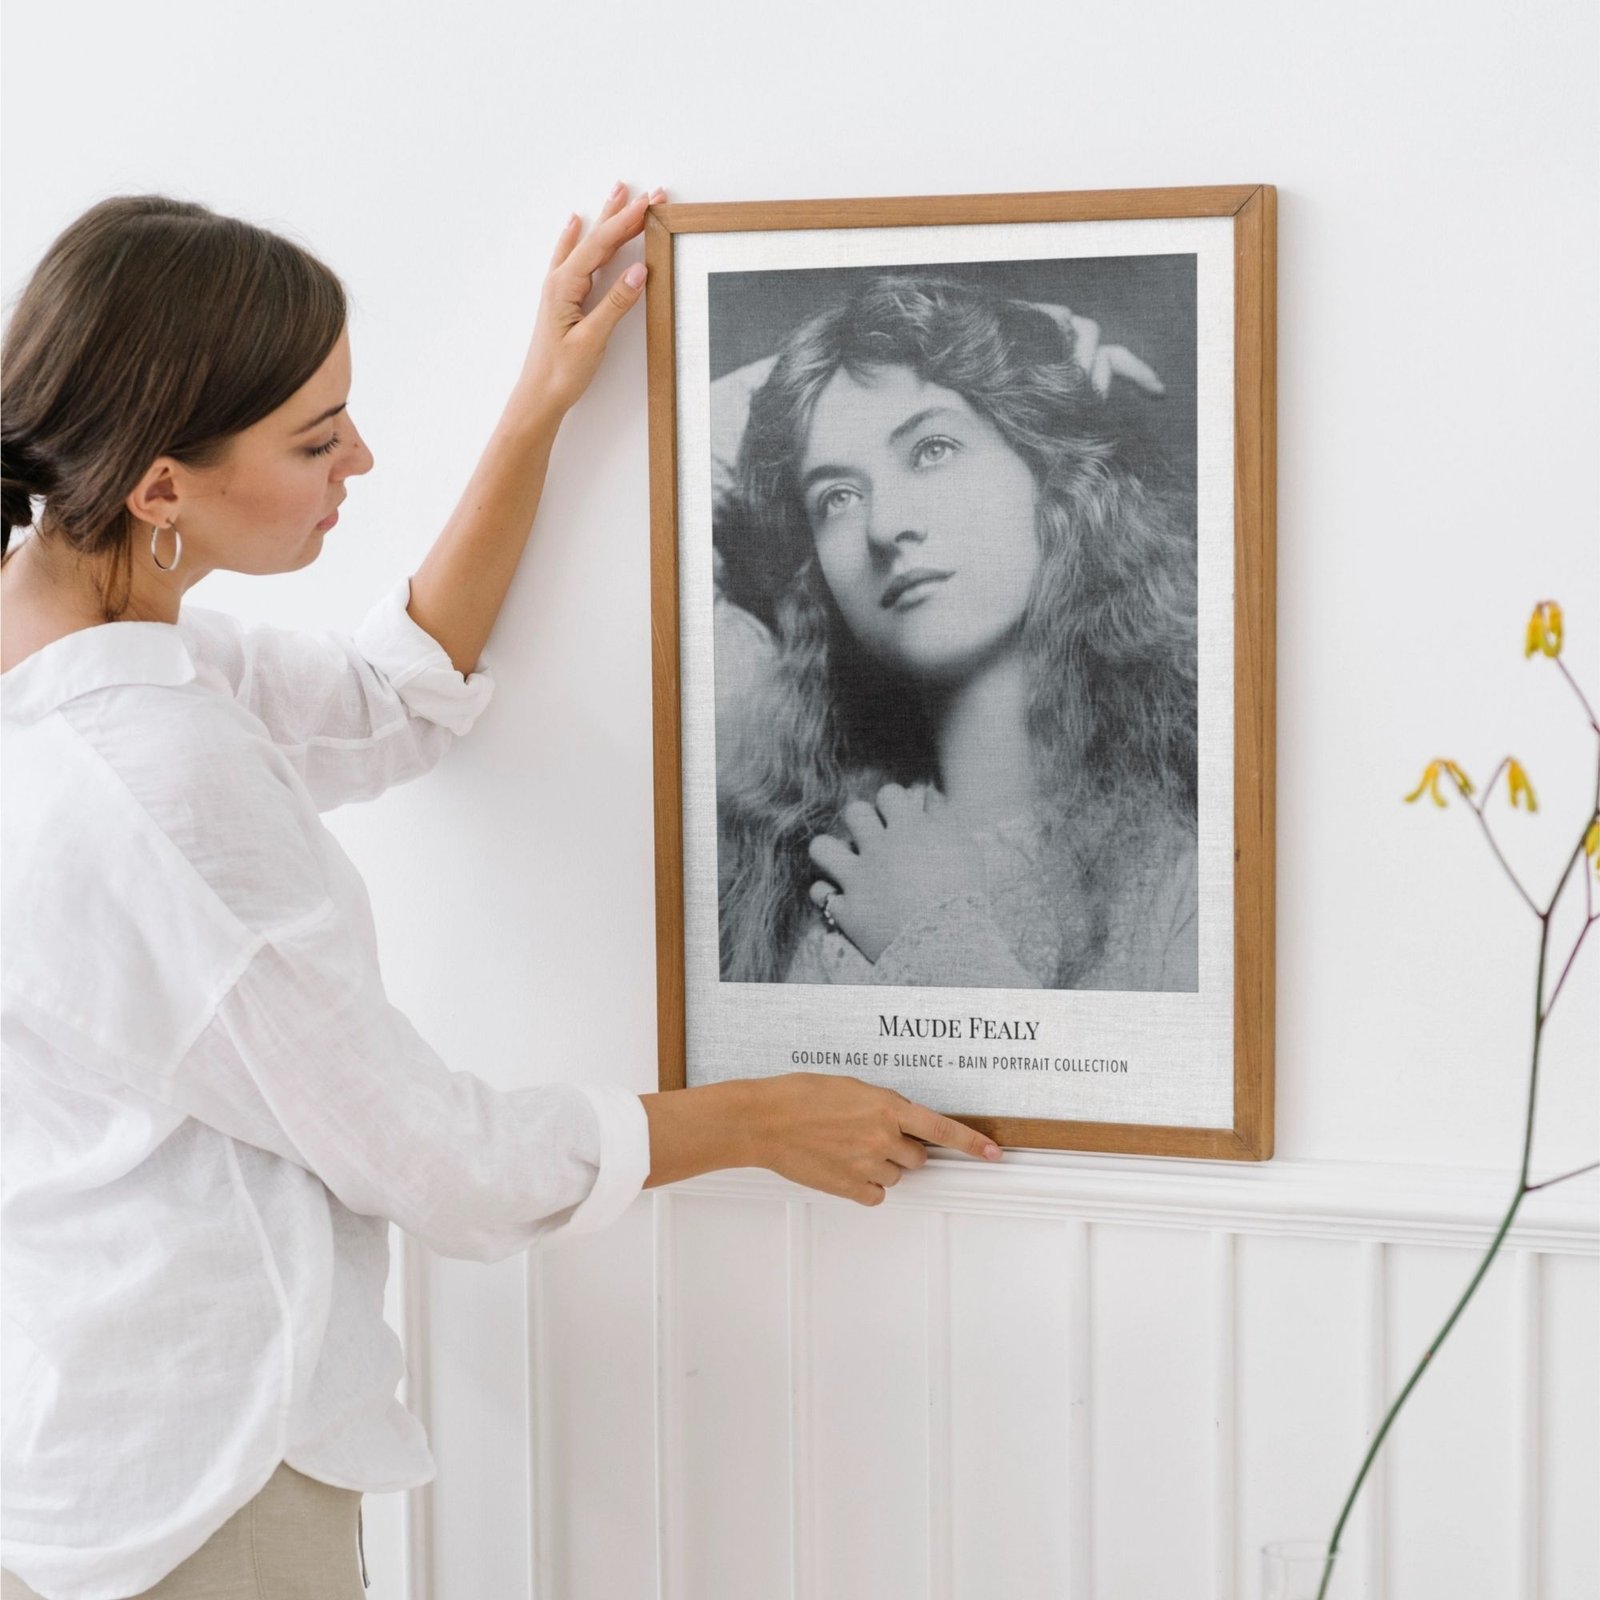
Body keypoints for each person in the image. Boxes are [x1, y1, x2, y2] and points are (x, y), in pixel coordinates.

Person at [0, 190, 1004, 1600]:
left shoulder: (71, 649)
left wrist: (542, 405)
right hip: (200, 1500)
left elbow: (382, 698)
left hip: (77, 1449)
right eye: (313, 439)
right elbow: (435, 1160)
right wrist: (757, 1119)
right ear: (160, 487)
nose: (362, 454)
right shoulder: (150, 784)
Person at [712, 271, 1199, 991]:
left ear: (1048, 468)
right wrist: (1005, 325)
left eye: (932, 449)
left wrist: (933, 937)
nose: (883, 525)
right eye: (837, 497)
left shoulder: (1184, 868)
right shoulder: (783, 861)